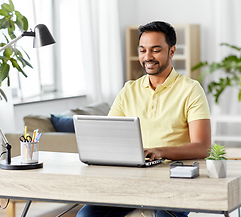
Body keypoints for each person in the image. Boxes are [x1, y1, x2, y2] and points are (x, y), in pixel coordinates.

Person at [76, 21, 211, 217]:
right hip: (132, 180)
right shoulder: (128, 90)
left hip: (174, 180)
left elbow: (202, 147)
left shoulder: (191, 89)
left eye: (155, 50)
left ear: (171, 51)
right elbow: (109, 135)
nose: (147, 57)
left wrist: (159, 151)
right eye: (142, 50)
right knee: (86, 215)